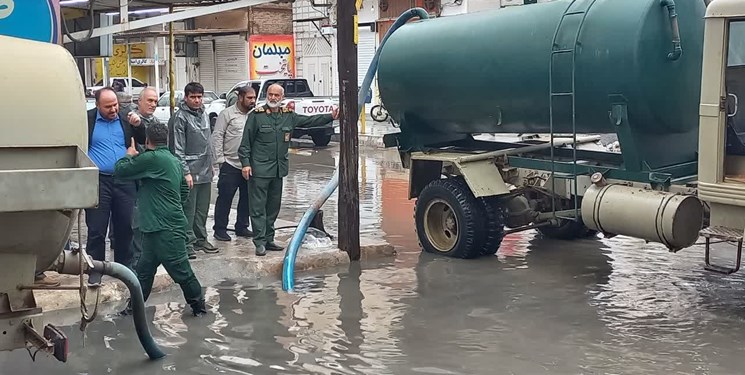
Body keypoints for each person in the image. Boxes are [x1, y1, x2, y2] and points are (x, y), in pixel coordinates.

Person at [114, 123, 208, 317]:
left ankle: (200, 308)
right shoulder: (172, 160)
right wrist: (170, 205)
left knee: (181, 270)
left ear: (148, 141)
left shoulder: (151, 158)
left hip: (166, 229)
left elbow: (121, 170)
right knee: (144, 272)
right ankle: (133, 309)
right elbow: (183, 190)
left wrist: (129, 154)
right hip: (155, 228)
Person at [238, 84, 339, 256]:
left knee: (273, 207)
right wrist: (246, 164)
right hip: (259, 169)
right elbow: (245, 143)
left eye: (277, 95)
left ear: (282, 97)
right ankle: (260, 242)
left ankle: (269, 239)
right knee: (257, 208)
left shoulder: (288, 116)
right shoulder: (257, 116)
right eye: (270, 94)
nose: (273, 98)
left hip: (278, 170)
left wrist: (330, 116)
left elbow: (309, 121)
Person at [85, 87, 144, 283]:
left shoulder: (127, 118)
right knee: (96, 228)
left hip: (124, 179)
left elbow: (144, 139)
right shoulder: (88, 120)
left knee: (125, 226)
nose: (113, 109)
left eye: (115, 105)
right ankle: (95, 270)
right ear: (97, 105)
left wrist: (138, 125)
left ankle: (123, 269)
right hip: (99, 181)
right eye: (108, 106)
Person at [168, 82, 218, 258]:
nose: (197, 100)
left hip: (205, 168)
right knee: (188, 208)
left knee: (202, 208)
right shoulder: (180, 117)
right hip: (188, 170)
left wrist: (212, 164)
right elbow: (177, 147)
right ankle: (186, 243)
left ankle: (201, 238)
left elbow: (208, 140)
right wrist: (185, 172)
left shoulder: (204, 113)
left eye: (199, 97)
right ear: (186, 97)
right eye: (193, 97)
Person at [211, 85, 257, 242]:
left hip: (248, 164)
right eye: (249, 98)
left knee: (247, 198)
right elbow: (217, 136)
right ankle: (220, 229)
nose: (253, 101)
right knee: (225, 197)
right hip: (230, 163)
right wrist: (220, 160)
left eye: (254, 98)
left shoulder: (255, 115)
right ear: (240, 97)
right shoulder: (227, 114)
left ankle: (242, 226)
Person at [126, 87, 162, 271]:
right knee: (134, 220)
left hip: (152, 179)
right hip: (133, 177)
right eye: (149, 100)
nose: (153, 105)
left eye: (155, 101)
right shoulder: (131, 120)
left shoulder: (156, 122)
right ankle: (135, 261)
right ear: (139, 101)